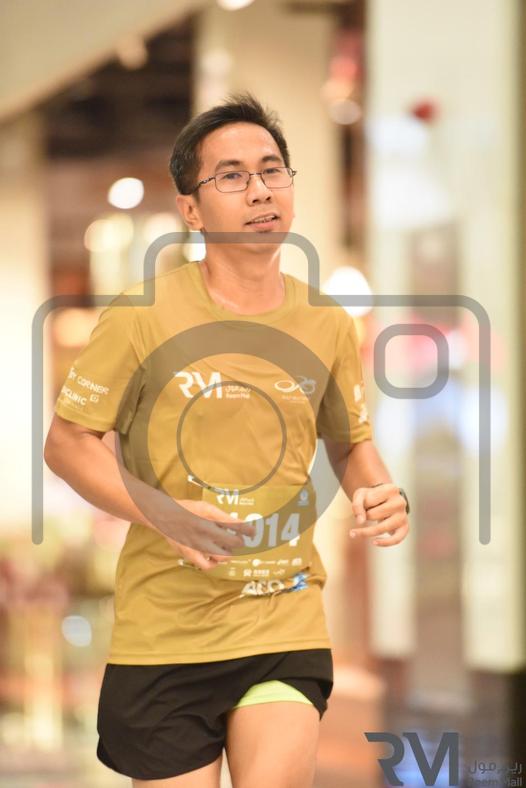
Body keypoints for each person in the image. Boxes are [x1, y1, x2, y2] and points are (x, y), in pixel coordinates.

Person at [44, 92, 410, 788]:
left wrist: (380, 492)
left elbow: (349, 442)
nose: (260, 190)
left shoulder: (327, 322)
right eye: (232, 176)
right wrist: (165, 513)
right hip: (166, 633)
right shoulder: (142, 316)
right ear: (191, 209)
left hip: (283, 618)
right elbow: (66, 444)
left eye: (272, 170)